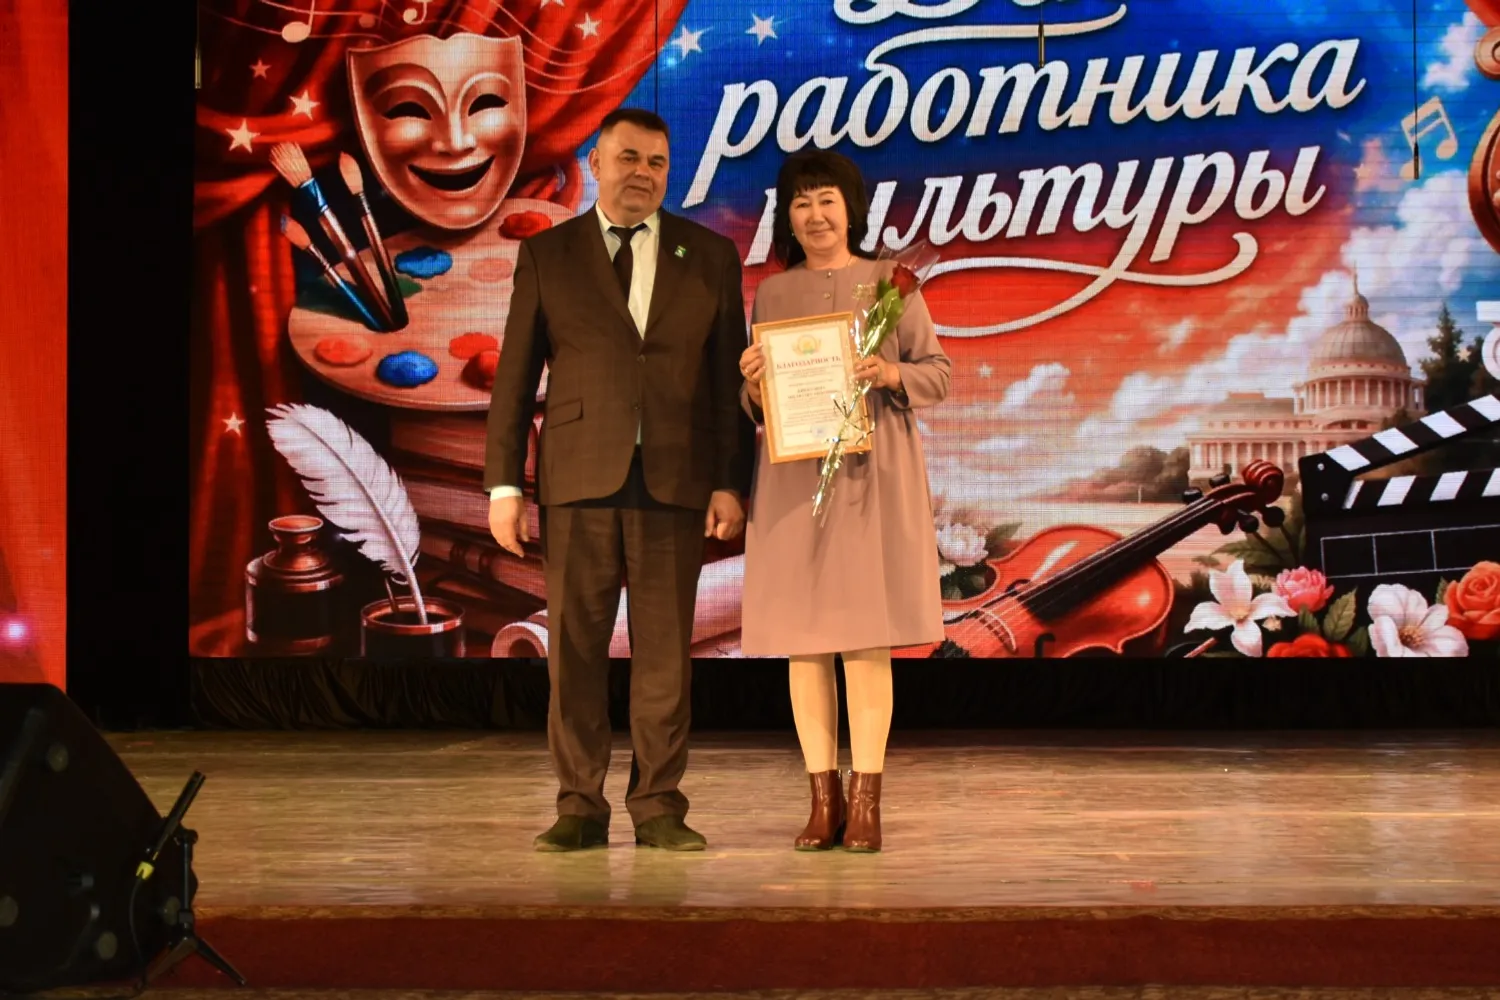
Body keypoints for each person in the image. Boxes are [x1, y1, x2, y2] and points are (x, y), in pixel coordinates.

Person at [484, 108, 751, 853]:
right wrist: (503, 485)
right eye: (628, 158)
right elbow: (514, 377)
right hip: (576, 479)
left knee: (664, 656)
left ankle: (660, 805)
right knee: (574, 652)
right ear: (596, 164)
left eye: (657, 163)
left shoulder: (709, 254)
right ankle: (579, 805)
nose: (642, 173)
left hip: (677, 480)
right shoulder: (547, 253)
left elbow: (727, 382)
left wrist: (730, 483)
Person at [737, 150, 950, 853]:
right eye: (801, 203)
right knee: (804, 643)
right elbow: (760, 402)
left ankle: (866, 802)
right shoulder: (772, 294)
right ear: (787, 217)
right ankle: (821, 799)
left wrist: (887, 371)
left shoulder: (890, 283)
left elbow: (938, 373)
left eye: (826, 200)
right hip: (795, 478)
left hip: (872, 474)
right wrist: (752, 384)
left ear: (850, 209)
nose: (815, 215)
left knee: (864, 641)